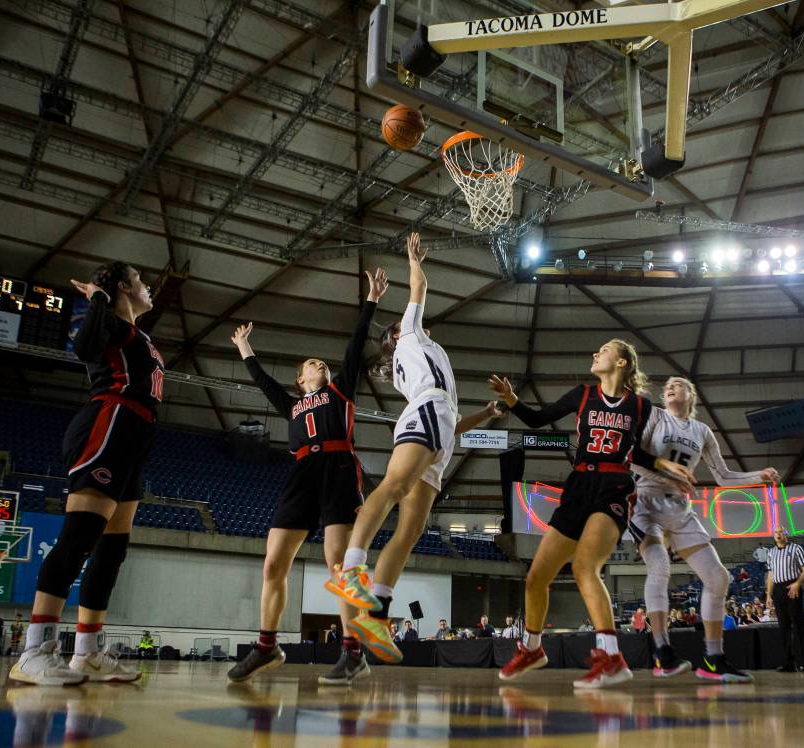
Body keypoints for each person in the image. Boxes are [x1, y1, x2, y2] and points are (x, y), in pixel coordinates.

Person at [326, 233, 499, 664]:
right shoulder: (409, 336)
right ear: (399, 330)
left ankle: (377, 614)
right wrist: (413, 261)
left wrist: (486, 415)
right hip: (425, 411)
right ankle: (353, 565)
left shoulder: (422, 351)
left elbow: (453, 425)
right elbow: (419, 289)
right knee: (395, 485)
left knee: (413, 529)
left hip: (438, 424)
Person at [490, 341, 694, 688]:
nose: (595, 354)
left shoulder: (641, 406)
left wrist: (663, 463)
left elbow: (634, 454)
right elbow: (538, 419)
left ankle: (611, 657)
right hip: (579, 484)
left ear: (622, 362)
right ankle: (532, 648)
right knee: (536, 576)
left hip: (614, 486)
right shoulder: (582, 394)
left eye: (602, 351)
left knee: (585, 566)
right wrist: (511, 399)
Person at [227, 267, 388, 687]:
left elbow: (354, 349)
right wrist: (245, 349)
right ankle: (267, 645)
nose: (320, 364)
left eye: (322, 363)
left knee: (341, 565)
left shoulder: (340, 393)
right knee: (273, 563)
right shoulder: (292, 406)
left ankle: (353, 653)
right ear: (301, 380)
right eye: (311, 364)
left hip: (337, 470)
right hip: (301, 473)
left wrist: (370, 302)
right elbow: (264, 384)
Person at [10, 262, 161, 686]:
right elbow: (83, 347)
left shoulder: (139, 334)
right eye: (141, 280)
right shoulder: (109, 323)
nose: (148, 286)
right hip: (108, 423)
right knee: (79, 536)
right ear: (123, 289)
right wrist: (96, 297)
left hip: (135, 435)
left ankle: (87, 653)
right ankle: (34, 651)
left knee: (112, 550)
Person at [629, 376, 777, 684]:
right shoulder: (655, 416)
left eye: (678, 383)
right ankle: (662, 651)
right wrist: (668, 474)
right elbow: (632, 458)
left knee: (718, 576)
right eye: (667, 384)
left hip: (679, 508)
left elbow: (723, 477)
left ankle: (713, 659)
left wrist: (758, 476)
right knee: (659, 566)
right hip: (644, 500)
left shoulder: (702, 431)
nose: (669, 386)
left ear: (690, 394)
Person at [766, 527, 804, 673]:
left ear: (786, 534)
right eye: (776, 532)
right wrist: (768, 595)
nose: (778, 534)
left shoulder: (796, 548)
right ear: (773, 536)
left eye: (781, 532)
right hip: (778, 590)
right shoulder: (771, 552)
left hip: (793, 587)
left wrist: (798, 584)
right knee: (783, 628)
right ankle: (788, 663)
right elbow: (771, 575)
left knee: (799, 626)